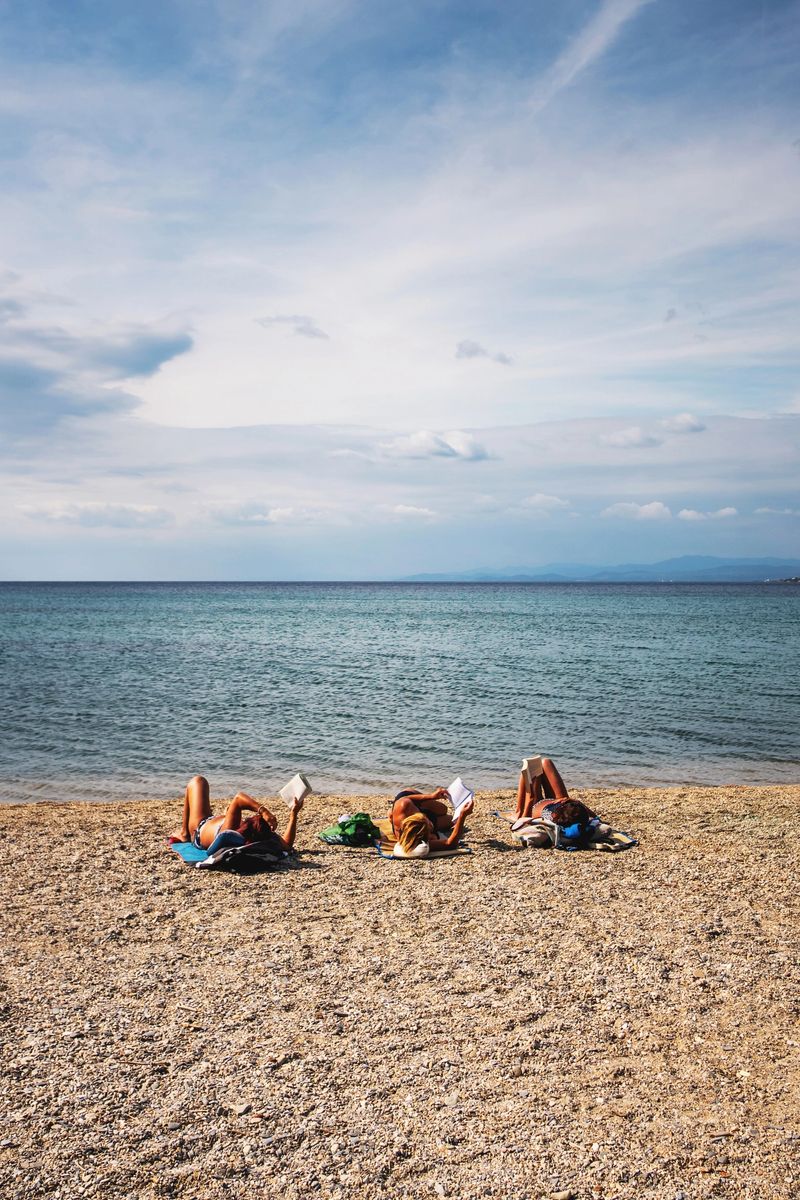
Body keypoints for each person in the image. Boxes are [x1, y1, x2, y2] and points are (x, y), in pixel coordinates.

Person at [173, 775, 304, 853]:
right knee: (228, 809)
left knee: (198, 781)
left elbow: (238, 798)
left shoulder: (231, 831)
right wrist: (294, 814)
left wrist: (263, 811)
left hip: (200, 827)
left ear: (247, 825)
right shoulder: (265, 839)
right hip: (216, 824)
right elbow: (287, 844)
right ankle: (225, 813)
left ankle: (184, 833)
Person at [514, 756, 610, 842]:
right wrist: (569, 800)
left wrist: (530, 800)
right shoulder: (573, 813)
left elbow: (522, 822)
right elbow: (596, 818)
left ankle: (518, 810)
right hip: (557, 800)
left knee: (529, 771)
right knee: (546, 762)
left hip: (536, 802)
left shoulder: (552, 818)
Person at [389, 786, 474, 857]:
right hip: (409, 815)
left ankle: (391, 813)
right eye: (430, 828)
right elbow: (450, 844)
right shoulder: (419, 843)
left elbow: (405, 798)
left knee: (443, 809)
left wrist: (432, 796)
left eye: (428, 821)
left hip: (408, 802)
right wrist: (463, 815)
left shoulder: (403, 806)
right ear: (424, 836)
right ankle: (390, 813)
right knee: (450, 820)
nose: (431, 824)